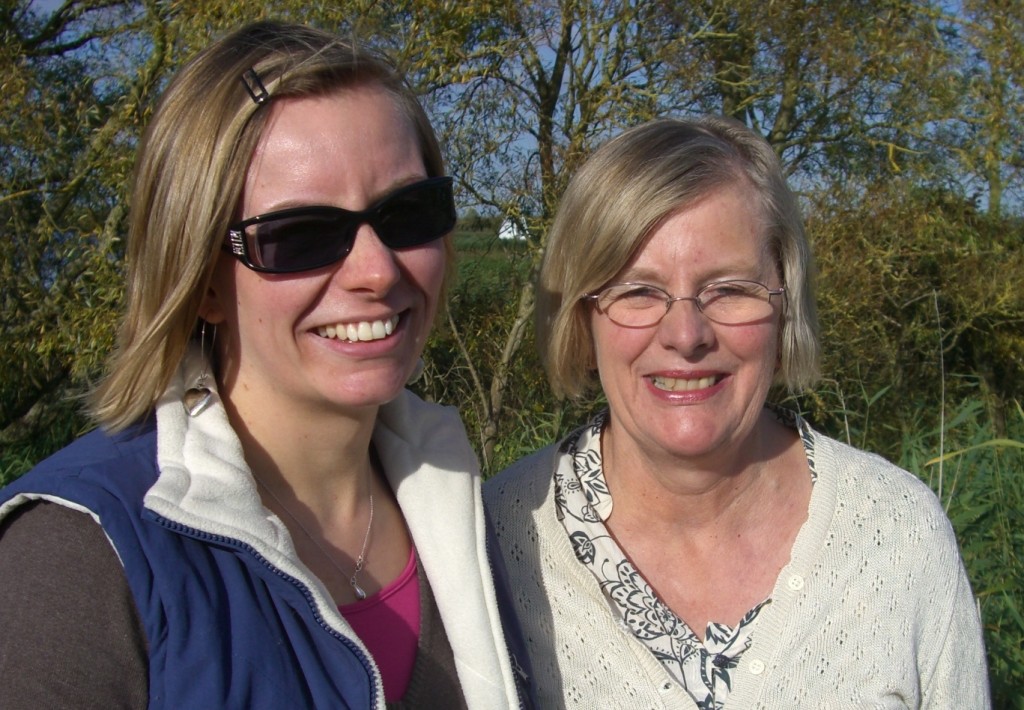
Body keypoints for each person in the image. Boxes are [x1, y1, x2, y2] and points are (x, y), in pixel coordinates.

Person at [0, 21, 533, 709]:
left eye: (407, 212)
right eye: (301, 236)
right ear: (203, 283)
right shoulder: (78, 558)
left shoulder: (467, 504)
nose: (375, 269)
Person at [484, 116, 990, 708]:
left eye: (729, 289)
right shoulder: (494, 544)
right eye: (638, 292)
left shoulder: (899, 537)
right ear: (582, 316)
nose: (685, 334)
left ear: (784, 307)